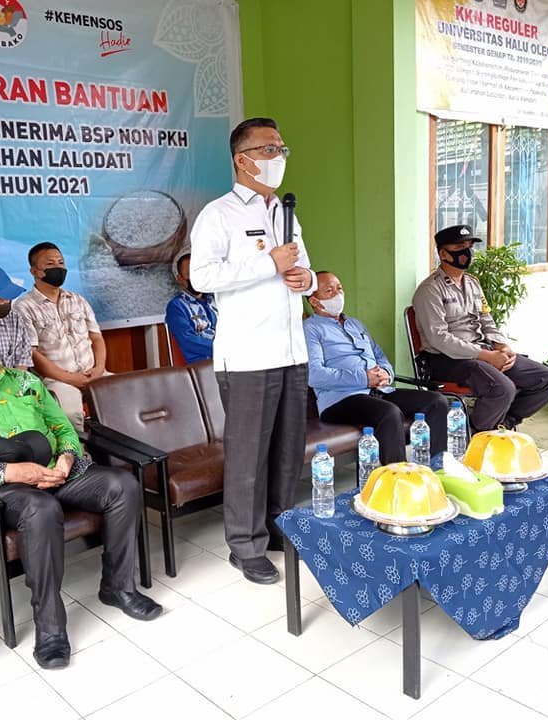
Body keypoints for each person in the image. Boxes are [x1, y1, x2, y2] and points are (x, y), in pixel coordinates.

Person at [0, 301, 161, 669]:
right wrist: (10, 473)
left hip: (54, 472)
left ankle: (119, 586)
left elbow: (62, 427)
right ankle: (50, 627)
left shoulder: (26, 381)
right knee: (41, 507)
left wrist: (66, 456)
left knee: (123, 485)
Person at [189, 117, 316, 585]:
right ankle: (244, 546)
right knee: (249, 456)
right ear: (243, 160)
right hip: (247, 357)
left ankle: (279, 527)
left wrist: (308, 279)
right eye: (269, 149)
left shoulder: (284, 212)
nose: (278, 157)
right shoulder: (218, 214)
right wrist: (268, 263)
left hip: (291, 350)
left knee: (287, 449)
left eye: (282, 149)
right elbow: (202, 276)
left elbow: (304, 269)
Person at [412, 224, 548, 432]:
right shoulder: (430, 290)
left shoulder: (472, 283)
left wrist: (502, 346)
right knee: (502, 389)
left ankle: (504, 423)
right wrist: (486, 356)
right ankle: (474, 433)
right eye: (459, 247)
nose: (467, 252)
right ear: (443, 254)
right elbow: (439, 339)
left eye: (469, 246)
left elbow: (486, 320)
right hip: (448, 360)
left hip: (483, 352)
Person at [306, 271, 449, 464]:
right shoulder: (311, 329)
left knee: (436, 402)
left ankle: (438, 466)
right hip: (341, 400)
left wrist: (386, 373)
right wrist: (364, 378)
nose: (338, 294)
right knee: (389, 413)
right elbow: (314, 375)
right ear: (314, 301)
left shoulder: (355, 324)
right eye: (329, 290)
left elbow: (379, 355)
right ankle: (397, 476)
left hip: (379, 390)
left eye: (339, 288)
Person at [14, 241, 107, 430]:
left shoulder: (78, 300)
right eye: (50, 264)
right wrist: (70, 378)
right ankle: (78, 449)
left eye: (61, 262)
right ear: (34, 271)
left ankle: (117, 449)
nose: (58, 267)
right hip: (57, 379)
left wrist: (99, 369)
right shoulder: (23, 307)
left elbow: (96, 338)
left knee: (127, 396)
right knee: (70, 414)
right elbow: (32, 353)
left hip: (95, 372)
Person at [165, 251, 218, 363]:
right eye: (189, 274)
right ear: (179, 279)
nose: (195, 278)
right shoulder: (177, 306)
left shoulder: (216, 299)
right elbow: (188, 341)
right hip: (204, 364)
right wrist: (224, 349)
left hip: (230, 358)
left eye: (197, 273)